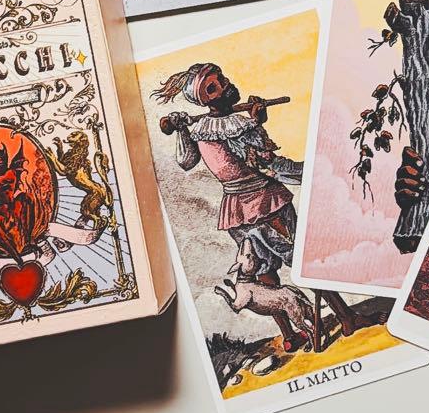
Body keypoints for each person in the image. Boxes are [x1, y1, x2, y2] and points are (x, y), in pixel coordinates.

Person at [154, 63, 360, 351]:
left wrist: (254, 121)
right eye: (213, 87)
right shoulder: (235, 127)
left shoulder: (201, 129)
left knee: (263, 271)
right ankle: (347, 319)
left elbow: (189, 161)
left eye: (221, 79)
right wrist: (317, 170)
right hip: (265, 203)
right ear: (204, 100)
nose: (224, 85)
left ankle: (290, 337)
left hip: (235, 213)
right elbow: (269, 165)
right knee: (302, 261)